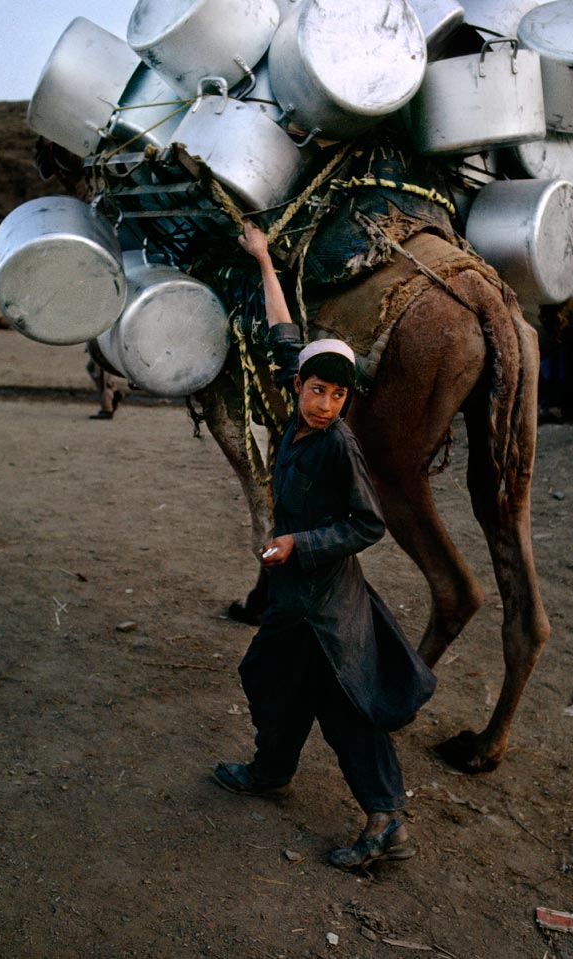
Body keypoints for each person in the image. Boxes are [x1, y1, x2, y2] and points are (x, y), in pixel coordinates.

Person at [212, 222, 436, 870]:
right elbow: (284, 331)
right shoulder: (298, 399)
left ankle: (388, 818)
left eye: (339, 396)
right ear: (301, 384)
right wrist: (261, 258)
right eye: (319, 390)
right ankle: (271, 768)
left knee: (344, 706)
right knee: (268, 675)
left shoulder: (340, 446)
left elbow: (367, 525)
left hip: (327, 606)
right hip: (294, 598)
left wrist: (299, 541)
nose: (326, 404)